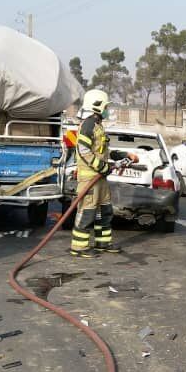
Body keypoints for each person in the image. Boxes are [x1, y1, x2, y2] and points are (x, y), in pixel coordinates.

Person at [69, 89, 138, 258]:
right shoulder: (88, 125)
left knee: (104, 211)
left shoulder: (98, 126)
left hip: (100, 179)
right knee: (87, 212)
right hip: (89, 178)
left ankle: (103, 243)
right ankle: (79, 246)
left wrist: (124, 156)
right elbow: (83, 151)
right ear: (97, 106)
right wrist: (102, 167)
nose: (107, 110)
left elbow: (104, 152)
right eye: (106, 106)